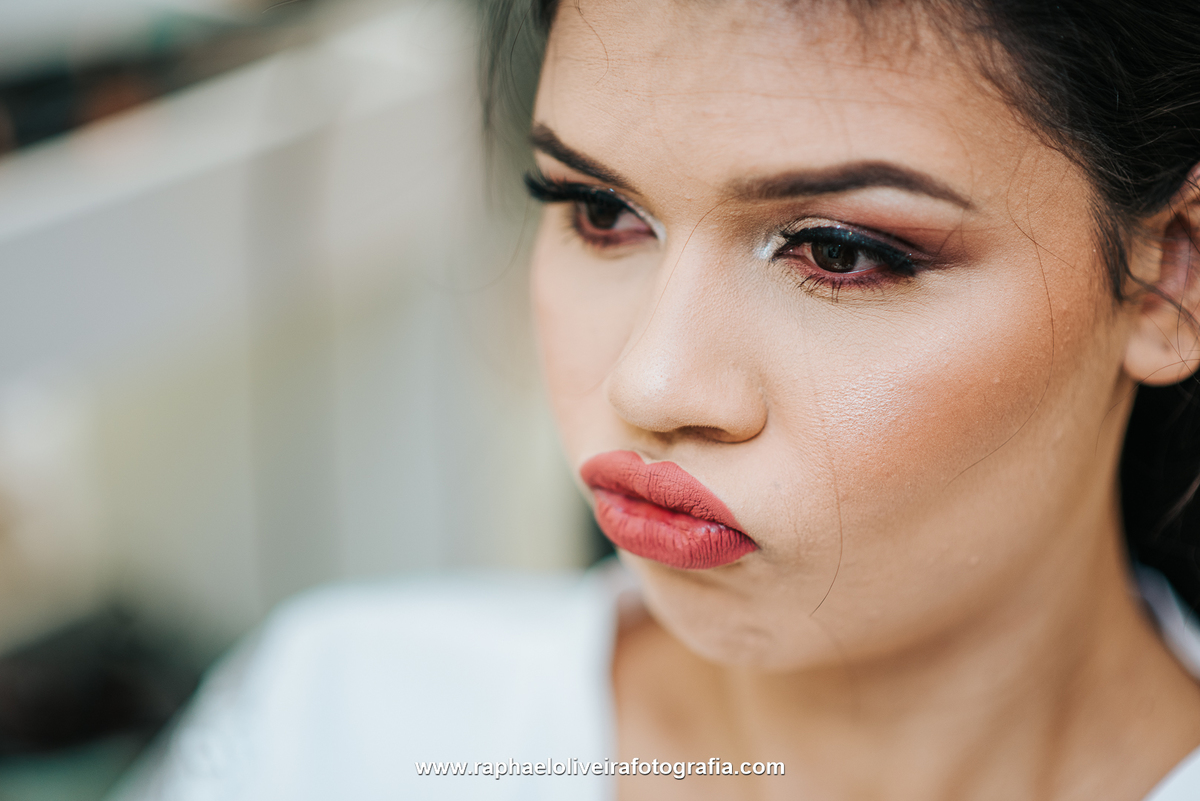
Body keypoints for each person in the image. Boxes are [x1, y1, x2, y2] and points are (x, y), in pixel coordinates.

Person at [112, 0, 1200, 799]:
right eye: (598, 211)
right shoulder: (347, 725)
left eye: (838, 251)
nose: (653, 383)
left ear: (1172, 274)